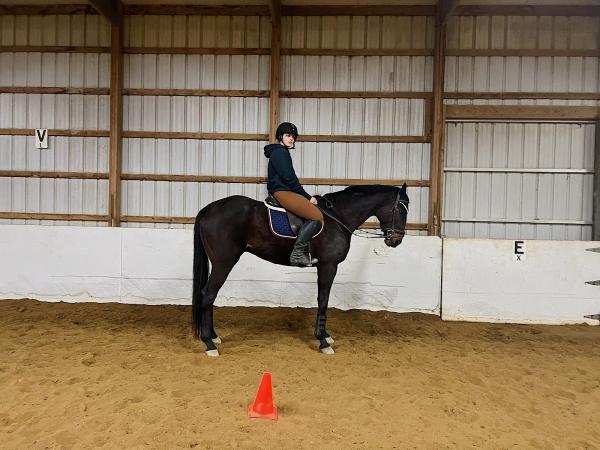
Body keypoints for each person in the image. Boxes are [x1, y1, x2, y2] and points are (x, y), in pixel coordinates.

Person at [264, 122, 324, 267]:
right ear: (281, 136)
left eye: (293, 137)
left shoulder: (281, 152)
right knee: (317, 217)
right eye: (288, 135)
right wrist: (307, 197)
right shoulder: (280, 152)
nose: (291, 139)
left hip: (285, 191)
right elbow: (289, 179)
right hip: (282, 192)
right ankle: (297, 254)